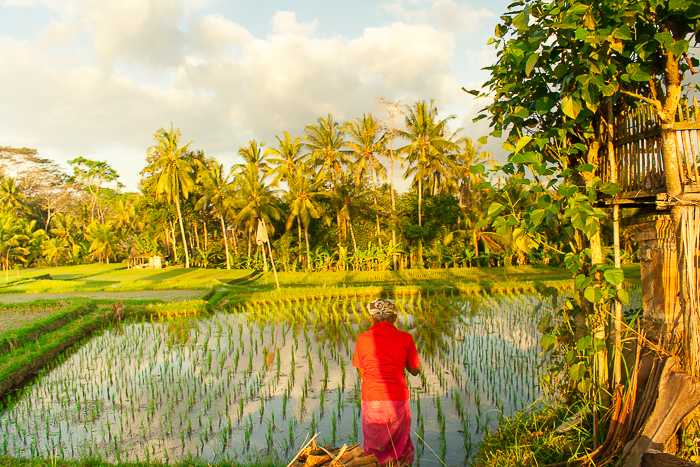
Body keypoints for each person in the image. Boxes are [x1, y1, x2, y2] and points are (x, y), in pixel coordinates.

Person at [352, 298, 421, 467]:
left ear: (371, 320)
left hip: (372, 398)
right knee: (400, 447)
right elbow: (415, 370)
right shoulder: (405, 338)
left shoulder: (362, 339)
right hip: (397, 398)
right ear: (395, 318)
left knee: (374, 446)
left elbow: (363, 373)